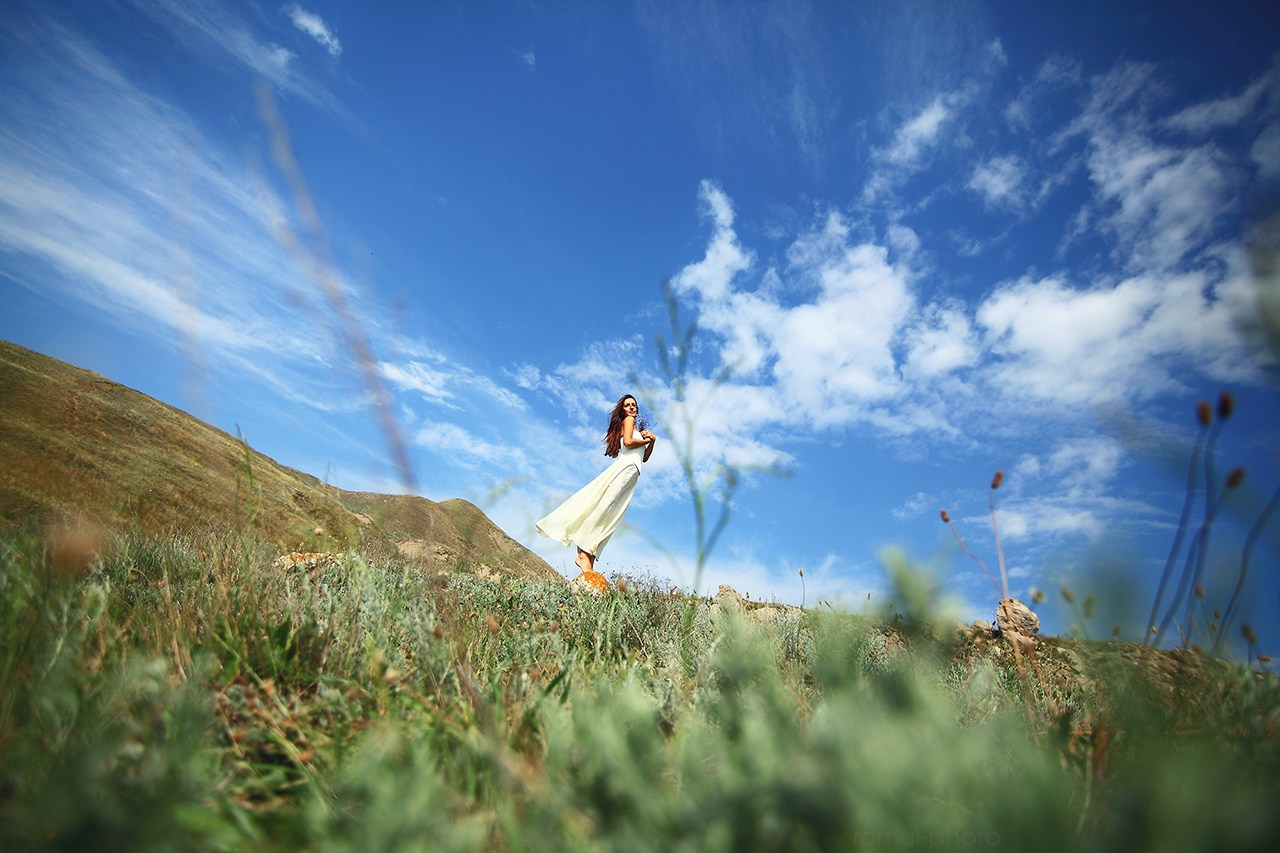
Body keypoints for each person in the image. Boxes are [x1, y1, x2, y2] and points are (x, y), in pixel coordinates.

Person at [536, 394, 656, 576]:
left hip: (633, 472)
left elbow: (644, 458)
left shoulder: (635, 427)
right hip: (625, 469)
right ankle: (583, 554)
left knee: (610, 516)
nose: (631, 408)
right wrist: (646, 440)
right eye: (627, 405)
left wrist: (652, 441)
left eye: (634, 405)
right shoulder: (629, 421)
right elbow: (629, 442)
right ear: (623, 410)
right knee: (604, 509)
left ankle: (589, 555)